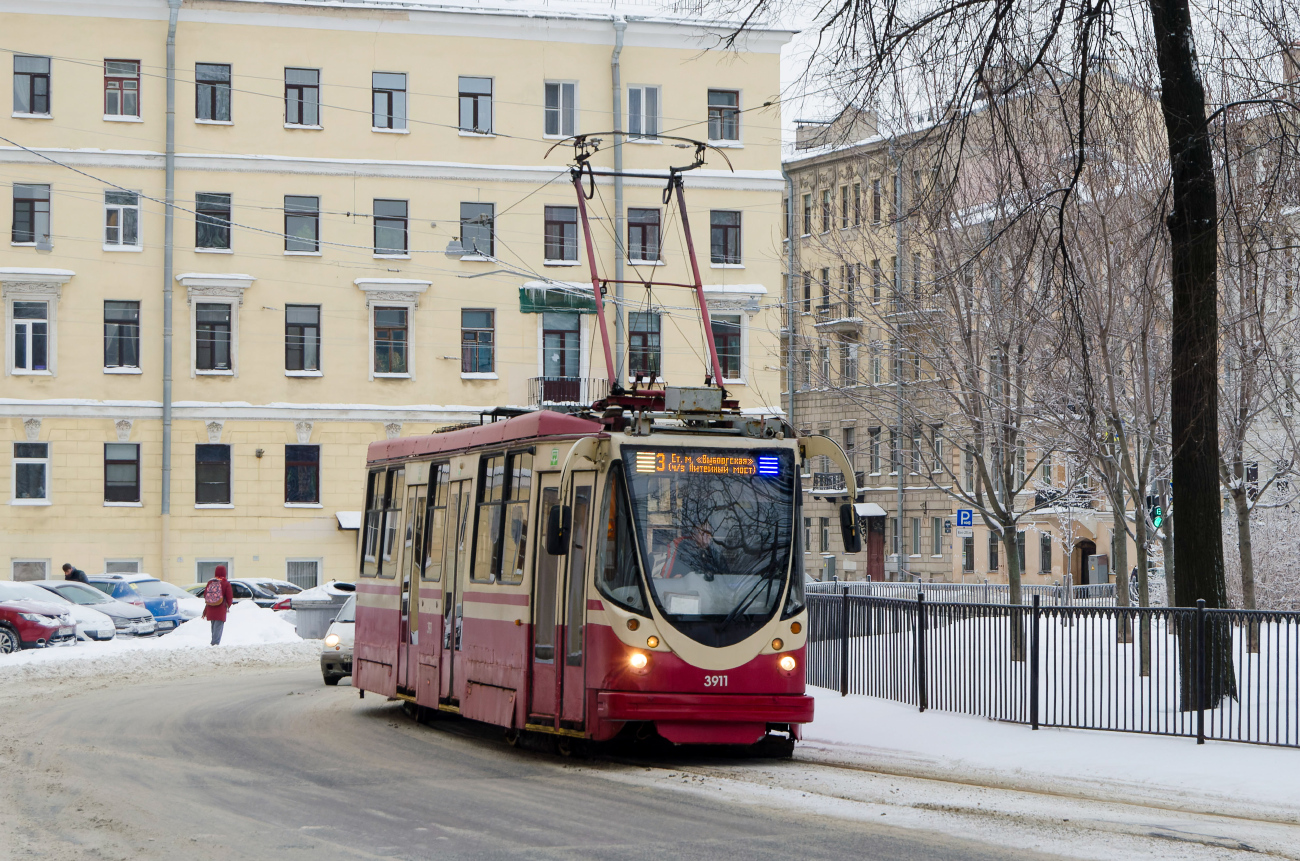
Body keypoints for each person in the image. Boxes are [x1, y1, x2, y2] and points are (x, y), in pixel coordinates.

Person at [202, 565, 235, 646]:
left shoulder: (210, 582)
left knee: (213, 626)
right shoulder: (225, 583)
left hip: (210, 607)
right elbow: (229, 597)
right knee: (218, 626)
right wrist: (227, 605)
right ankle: (215, 644)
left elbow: (205, 594)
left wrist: (211, 602)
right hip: (220, 608)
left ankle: (213, 642)